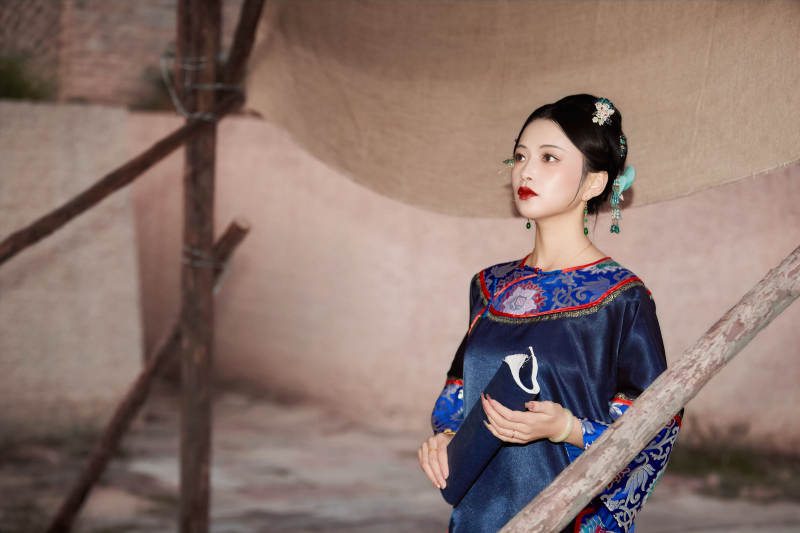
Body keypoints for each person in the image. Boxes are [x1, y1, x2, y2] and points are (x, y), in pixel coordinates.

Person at [417, 94, 684, 533]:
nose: (526, 171)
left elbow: (656, 422)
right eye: (520, 156)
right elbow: (459, 391)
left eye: (549, 158)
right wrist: (445, 437)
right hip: (479, 519)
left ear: (594, 183)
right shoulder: (489, 287)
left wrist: (568, 428)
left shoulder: (621, 298)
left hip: (568, 519)